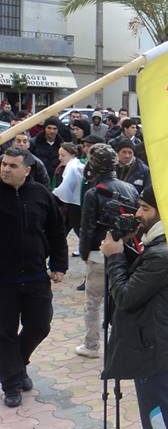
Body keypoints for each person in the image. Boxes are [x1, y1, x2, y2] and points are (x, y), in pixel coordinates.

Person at [99, 186, 168, 429]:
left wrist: (115, 257)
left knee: (164, 427)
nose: (138, 213)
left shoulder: (162, 254)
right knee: (163, 423)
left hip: (154, 352)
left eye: (145, 208)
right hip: (158, 346)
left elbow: (126, 297)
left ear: (164, 213)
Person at [0, 147, 68, 408]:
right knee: (4, 332)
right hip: (3, 279)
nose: (6, 169)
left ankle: (16, 364)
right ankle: (12, 383)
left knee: (40, 324)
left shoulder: (40, 194)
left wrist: (60, 264)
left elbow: (56, 231)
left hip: (36, 275)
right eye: (4, 164)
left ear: (26, 170)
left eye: (13, 166)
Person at [76, 144, 139, 359]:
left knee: (93, 302)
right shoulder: (130, 188)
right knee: (122, 301)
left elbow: (87, 228)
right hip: (126, 252)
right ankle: (124, 345)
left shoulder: (94, 193)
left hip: (98, 253)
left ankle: (92, 345)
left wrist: (84, 254)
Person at [29, 117, 62, 182]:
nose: (52, 131)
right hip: (37, 179)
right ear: (44, 128)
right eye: (49, 128)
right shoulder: (34, 143)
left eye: (54, 129)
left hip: (54, 181)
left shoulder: (61, 145)